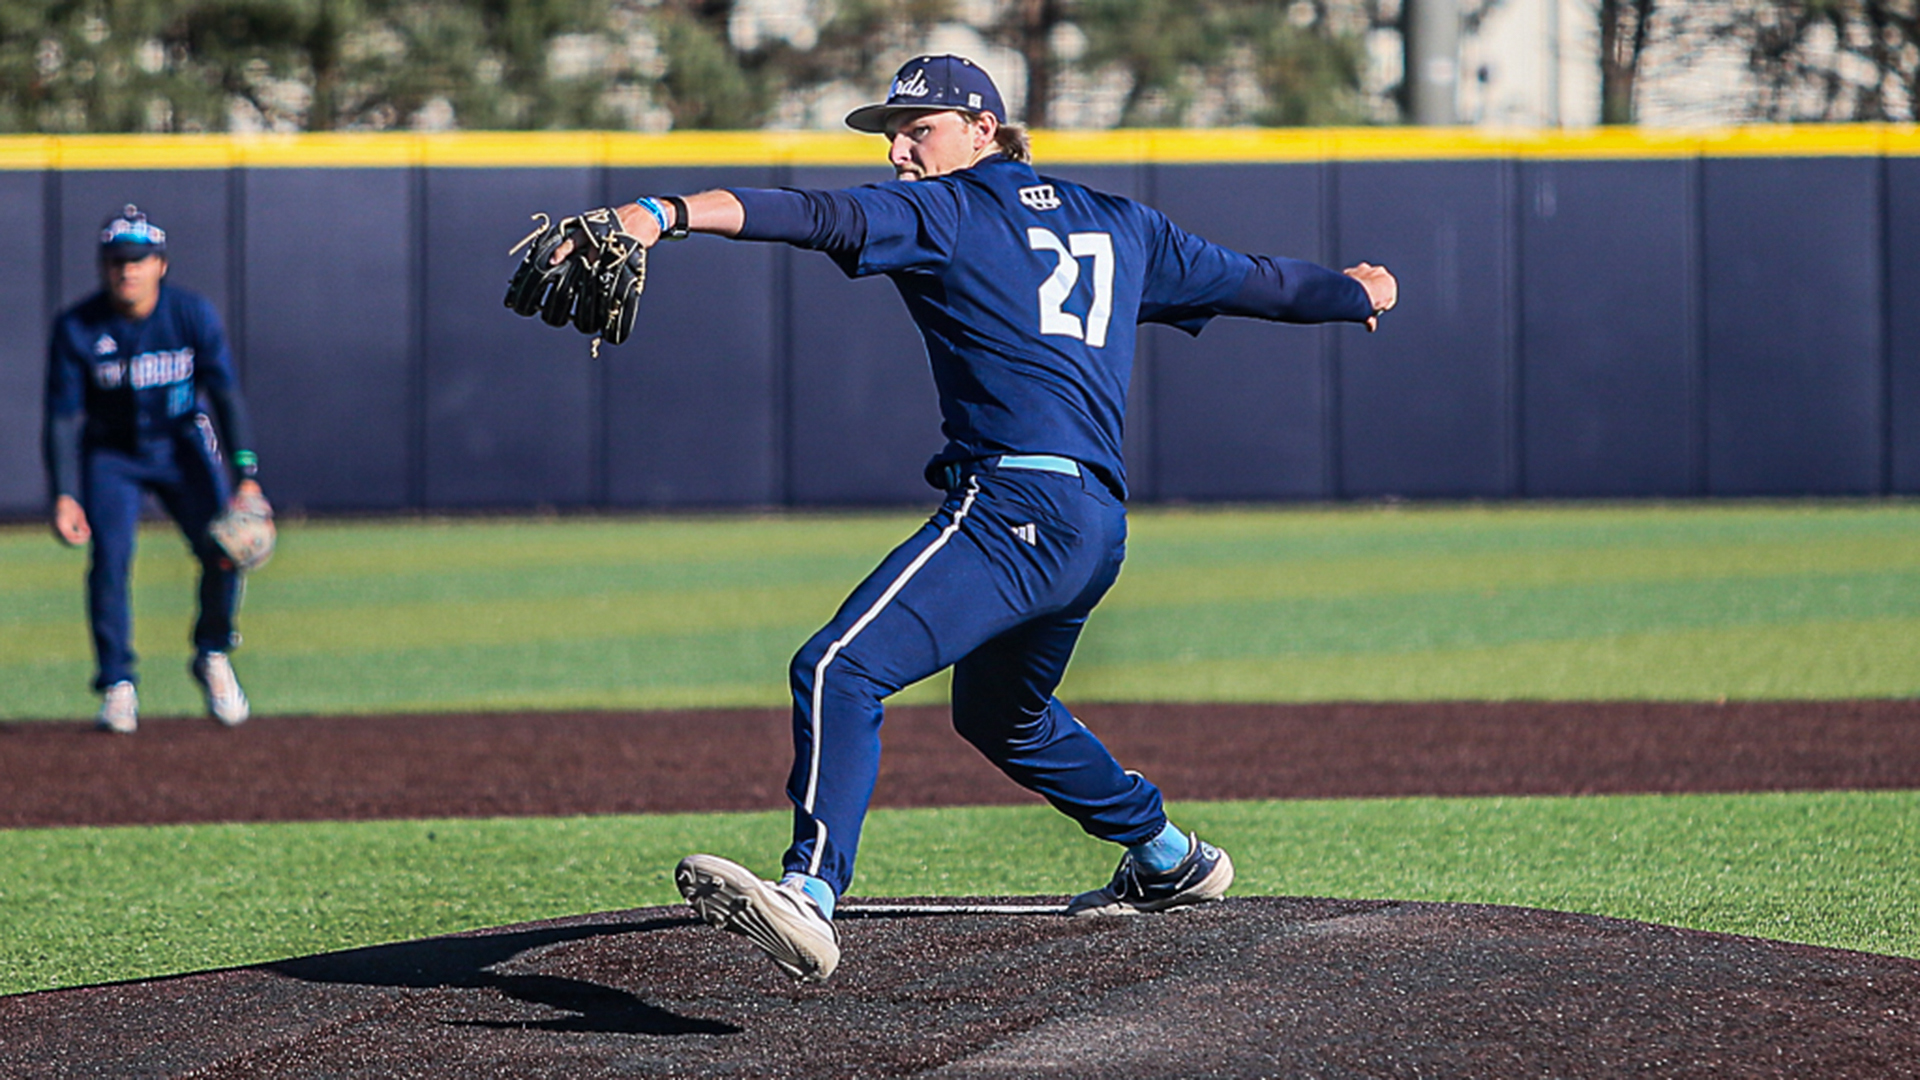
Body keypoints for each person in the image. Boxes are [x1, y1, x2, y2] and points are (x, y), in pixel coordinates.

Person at [597, 55, 1397, 982]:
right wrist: (1359, 294)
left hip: (1014, 505)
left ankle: (810, 894)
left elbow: (806, 216)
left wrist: (661, 213)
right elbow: (1259, 282)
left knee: (837, 668)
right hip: (1094, 525)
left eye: (919, 128)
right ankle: (1171, 858)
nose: (899, 150)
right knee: (1001, 715)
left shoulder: (946, 209)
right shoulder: (1121, 224)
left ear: (985, 130)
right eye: (890, 134)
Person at [43, 205, 268, 734]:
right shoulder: (78, 326)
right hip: (112, 453)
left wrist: (247, 475)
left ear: (160, 264)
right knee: (111, 560)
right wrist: (62, 493)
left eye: (139, 259)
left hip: (181, 443)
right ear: (103, 265)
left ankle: (212, 652)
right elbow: (60, 418)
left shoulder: (190, 313)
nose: (128, 270)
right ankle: (118, 683)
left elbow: (226, 395)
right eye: (118, 260)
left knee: (224, 548)